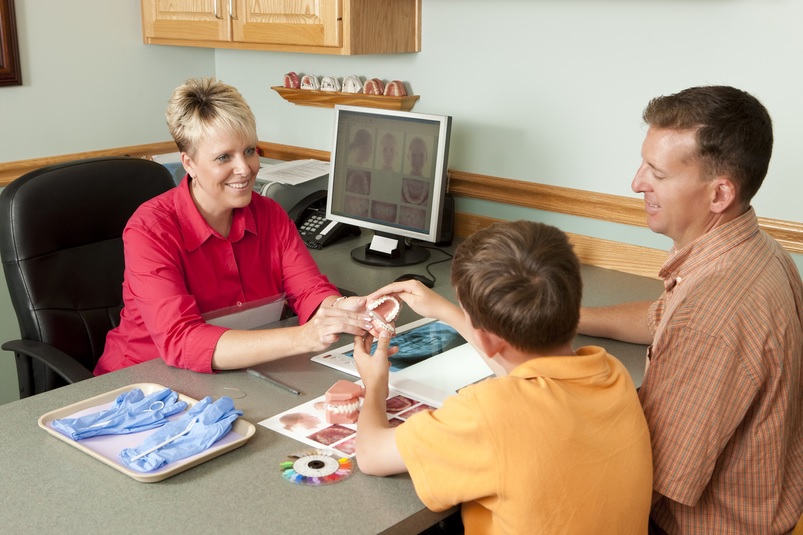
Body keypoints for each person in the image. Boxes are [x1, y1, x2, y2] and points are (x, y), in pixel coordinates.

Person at [578, 85, 803, 534]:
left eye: (657, 173)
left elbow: (649, 471)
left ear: (719, 195)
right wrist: (574, 319)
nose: (637, 182)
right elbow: (664, 315)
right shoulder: (755, 253)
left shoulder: (715, 311)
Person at [354, 220, 653, 534]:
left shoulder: (487, 413)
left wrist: (374, 383)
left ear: (485, 338)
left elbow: (371, 454)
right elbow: (520, 375)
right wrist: (445, 311)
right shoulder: (611, 373)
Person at [95, 78, 374, 375]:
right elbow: (181, 340)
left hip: (239, 374)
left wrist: (340, 311)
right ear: (189, 163)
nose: (245, 169)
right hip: (141, 383)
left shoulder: (270, 214)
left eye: (250, 151)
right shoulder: (150, 230)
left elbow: (308, 291)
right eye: (224, 157)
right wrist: (303, 337)